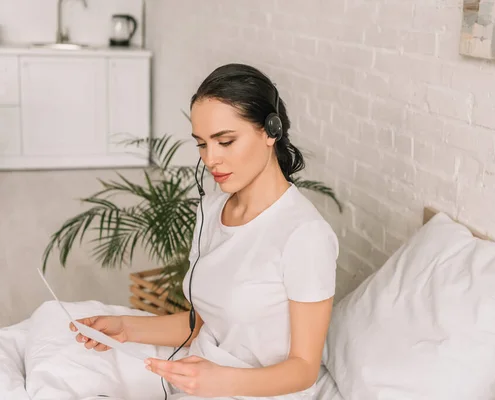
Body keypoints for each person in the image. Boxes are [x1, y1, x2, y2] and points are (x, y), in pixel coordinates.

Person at [69, 63, 339, 399]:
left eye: (225, 141)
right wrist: (125, 327)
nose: (211, 160)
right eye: (201, 144)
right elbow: (202, 322)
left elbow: (304, 369)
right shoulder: (212, 208)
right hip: (199, 372)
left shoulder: (305, 235)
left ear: (271, 131)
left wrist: (221, 381)